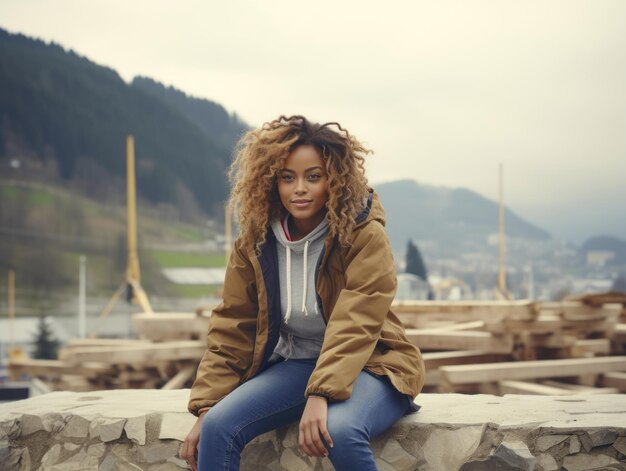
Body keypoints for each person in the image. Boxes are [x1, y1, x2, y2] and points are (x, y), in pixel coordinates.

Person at [181, 115, 425, 471]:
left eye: (314, 177)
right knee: (218, 426)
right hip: (298, 366)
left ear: (335, 180)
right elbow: (234, 325)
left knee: (339, 430)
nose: (300, 188)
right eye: (287, 177)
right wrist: (207, 405)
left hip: (374, 364)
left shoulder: (364, 235)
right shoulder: (255, 243)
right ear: (271, 182)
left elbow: (357, 321)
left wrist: (321, 393)